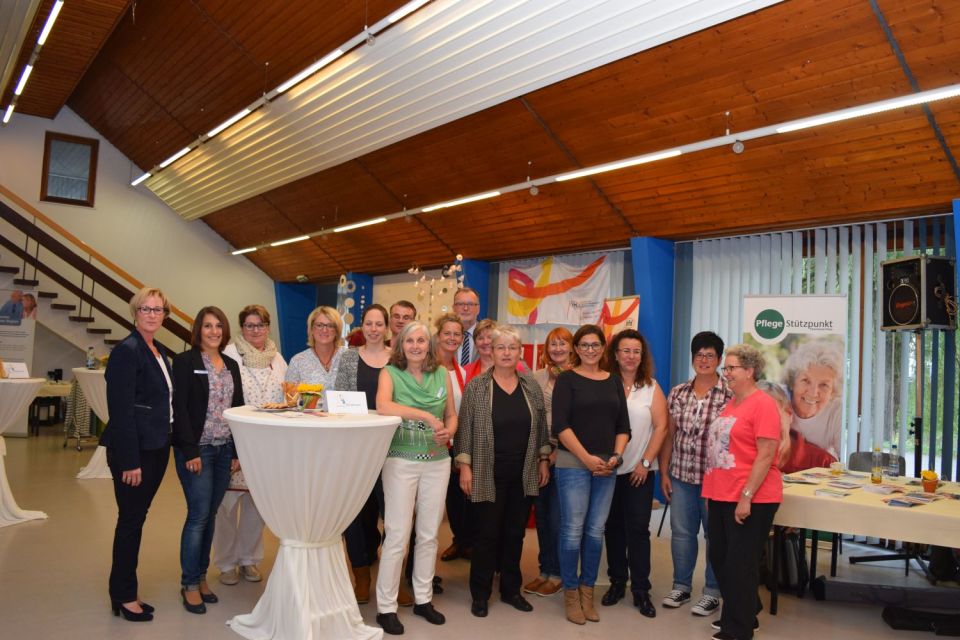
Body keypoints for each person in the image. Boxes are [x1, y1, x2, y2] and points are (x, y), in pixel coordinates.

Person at [455, 325, 550, 617]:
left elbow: (542, 427)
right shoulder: (477, 386)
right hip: (486, 471)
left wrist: (543, 459)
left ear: (519, 352)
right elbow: (465, 430)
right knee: (486, 535)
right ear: (491, 352)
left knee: (514, 534)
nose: (506, 353)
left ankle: (510, 590)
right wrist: (465, 468)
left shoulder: (530, 385)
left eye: (512, 348)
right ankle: (480, 594)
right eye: (501, 348)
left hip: (523, 472)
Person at [375, 321, 458, 635]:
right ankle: (386, 606)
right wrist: (424, 415)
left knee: (429, 534)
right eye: (409, 340)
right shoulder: (390, 373)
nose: (415, 346)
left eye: (421, 340)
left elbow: (451, 414)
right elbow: (383, 405)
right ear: (400, 345)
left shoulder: (442, 374)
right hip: (400, 461)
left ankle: (423, 599)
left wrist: (449, 431)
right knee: (397, 535)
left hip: (438, 462)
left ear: (429, 344)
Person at [101, 287, 174, 622]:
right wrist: (130, 460)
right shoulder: (127, 351)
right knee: (130, 522)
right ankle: (123, 595)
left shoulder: (157, 350)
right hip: (134, 453)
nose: (152, 314)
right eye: (146, 308)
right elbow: (121, 411)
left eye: (158, 310)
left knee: (136, 519)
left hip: (156, 448)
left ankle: (127, 589)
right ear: (135, 312)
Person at [703, 344, 782, 640]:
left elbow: (766, 454)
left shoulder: (763, 404)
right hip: (722, 494)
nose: (726, 374)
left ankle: (739, 628)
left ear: (749, 371)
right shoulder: (732, 403)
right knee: (721, 558)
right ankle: (748, 607)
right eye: (726, 368)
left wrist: (746, 496)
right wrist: (712, 494)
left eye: (731, 368)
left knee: (739, 562)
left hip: (753, 497)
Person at [552, 324, 629, 625]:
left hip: (606, 467)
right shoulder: (567, 380)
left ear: (603, 347)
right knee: (572, 530)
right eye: (584, 345)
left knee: (595, 532)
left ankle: (588, 593)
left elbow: (623, 426)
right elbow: (560, 425)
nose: (590, 350)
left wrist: (616, 456)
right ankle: (570, 593)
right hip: (574, 464)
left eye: (595, 345)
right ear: (576, 349)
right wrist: (587, 459)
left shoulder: (613, 380)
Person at [172, 306, 244, 615]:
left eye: (218, 326)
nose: (213, 331)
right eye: (207, 326)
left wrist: (237, 452)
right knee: (198, 515)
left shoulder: (230, 364)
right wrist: (189, 452)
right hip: (197, 449)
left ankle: (201, 578)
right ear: (198, 330)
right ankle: (189, 584)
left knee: (210, 515)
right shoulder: (185, 362)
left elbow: (237, 407)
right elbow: (181, 408)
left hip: (224, 449)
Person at [659, 331, 731, 616]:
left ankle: (712, 592)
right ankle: (681, 586)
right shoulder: (678, 392)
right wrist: (664, 472)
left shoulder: (730, 394)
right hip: (681, 476)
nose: (704, 360)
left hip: (717, 481)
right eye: (699, 355)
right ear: (692, 359)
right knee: (682, 534)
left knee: (715, 536)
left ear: (719, 360)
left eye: (710, 355)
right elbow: (668, 435)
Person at [215, 305, 287, 587]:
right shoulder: (230, 355)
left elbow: (287, 395)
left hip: (267, 446)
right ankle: (226, 563)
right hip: (235, 441)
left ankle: (249, 559)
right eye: (249, 325)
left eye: (260, 325)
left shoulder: (278, 358)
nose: (255, 330)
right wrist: (233, 448)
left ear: (268, 326)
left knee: (258, 507)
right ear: (241, 328)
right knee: (226, 507)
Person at [601, 329, 667, 618]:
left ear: (643, 356)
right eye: (625, 350)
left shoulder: (651, 387)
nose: (631, 356)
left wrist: (645, 461)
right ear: (615, 354)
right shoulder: (604, 384)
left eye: (636, 351)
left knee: (638, 531)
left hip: (639, 471)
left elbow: (662, 427)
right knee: (612, 529)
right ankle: (617, 582)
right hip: (607, 471)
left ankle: (641, 589)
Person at [335, 303, 391, 604]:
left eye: (378, 323)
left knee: (392, 512)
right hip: (356, 446)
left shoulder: (398, 358)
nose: (373, 329)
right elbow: (339, 400)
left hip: (392, 446)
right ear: (362, 327)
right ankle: (361, 575)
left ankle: (396, 576)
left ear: (386, 328)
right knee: (354, 512)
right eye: (368, 323)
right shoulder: (348, 359)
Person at [523, 327, 574, 598]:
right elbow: (533, 417)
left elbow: (577, 420)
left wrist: (556, 454)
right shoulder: (536, 377)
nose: (557, 349)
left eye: (562, 343)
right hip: (539, 454)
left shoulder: (577, 377)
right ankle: (544, 571)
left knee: (558, 518)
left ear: (571, 347)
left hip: (567, 455)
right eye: (552, 344)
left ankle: (558, 574)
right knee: (542, 516)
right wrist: (543, 455)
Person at [433, 313, 473, 563]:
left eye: (456, 334)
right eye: (447, 333)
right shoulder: (425, 367)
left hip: (456, 444)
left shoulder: (462, 372)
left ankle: (462, 541)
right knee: (434, 504)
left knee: (459, 498)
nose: (451, 338)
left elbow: (464, 411)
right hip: (432, 443)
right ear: (438, 336)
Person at [783, 339, 843, 459]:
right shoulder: (778, 401)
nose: (813, 392)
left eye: (824, 385)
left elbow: (846, 459)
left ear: (833, 392)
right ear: (792, 382)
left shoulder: (837, 410)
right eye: (806, 381)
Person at [285, 306, 347, 402]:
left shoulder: (348, 357)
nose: (324, 330)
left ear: (337, 331)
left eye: (330, 326)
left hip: (344, 415)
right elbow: (289, 401)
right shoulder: (297, 361)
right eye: (319, 325)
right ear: (311, 329)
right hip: (308, 416)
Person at [453, 287, 481, 366]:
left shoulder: (490, 338)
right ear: (454, 308)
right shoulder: (439, 339)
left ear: (478, 309)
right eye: (461, 304)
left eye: (470, 304)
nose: (465, 308)